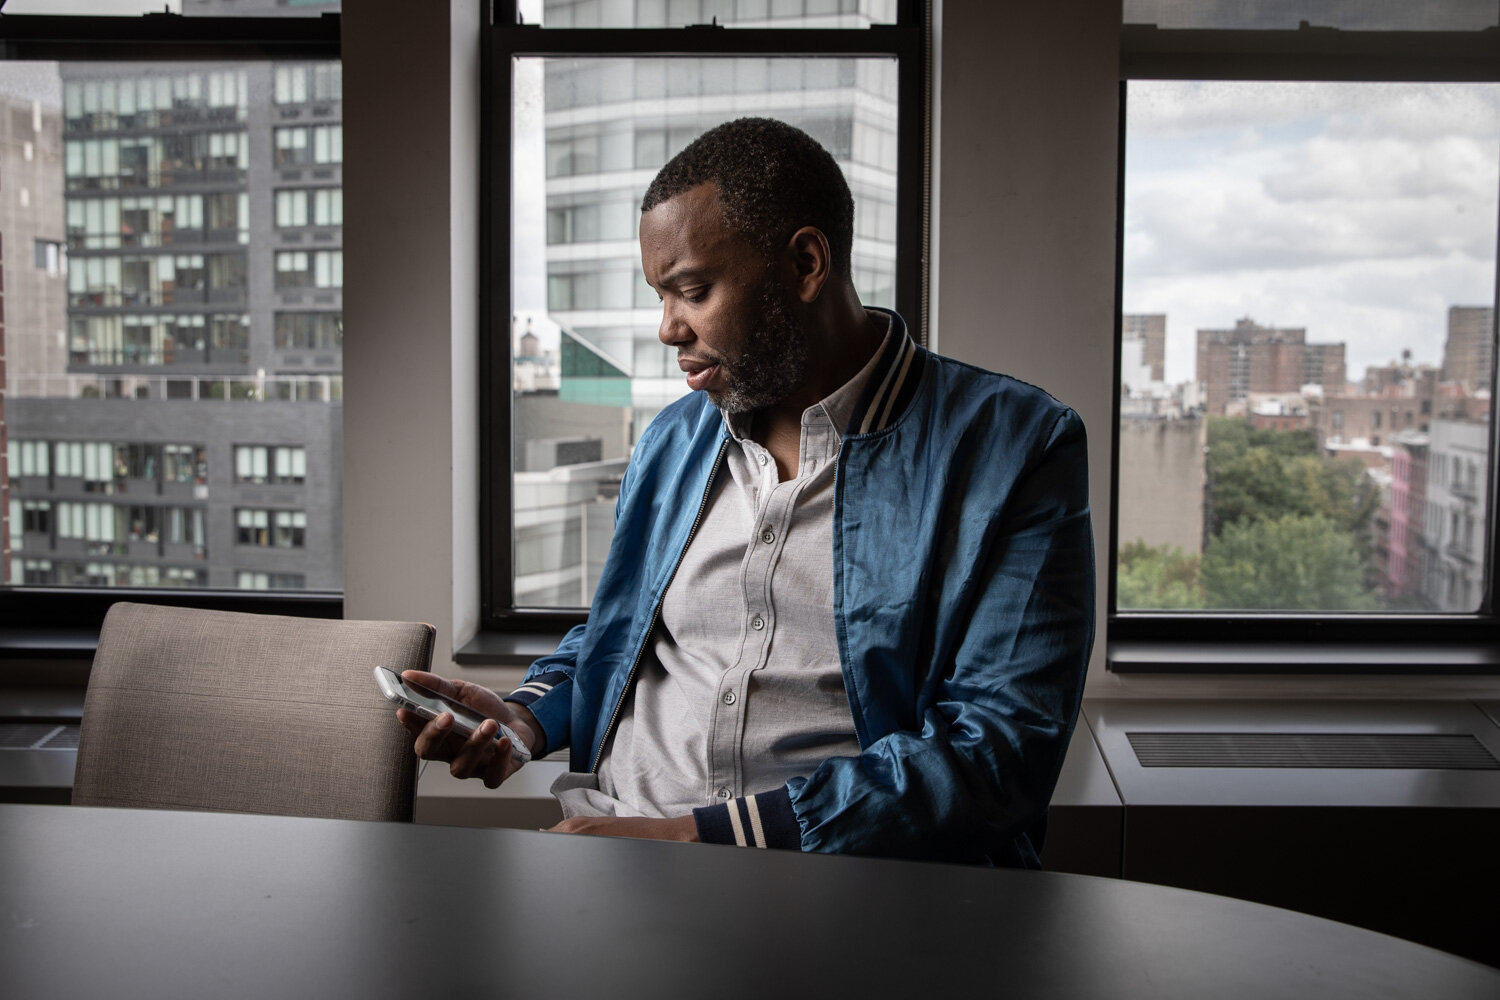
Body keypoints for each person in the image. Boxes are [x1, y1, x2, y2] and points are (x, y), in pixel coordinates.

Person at [399, 117, 1094, 866]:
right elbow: (627, 636)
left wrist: (705, 837)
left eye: (691, 290)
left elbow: (1001, 749)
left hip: (847, 888)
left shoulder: (1017, 447)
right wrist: (522, 719)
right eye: (660, 297)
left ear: (803, 263)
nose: (668, 328)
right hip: (609, 850)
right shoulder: (673, 438)